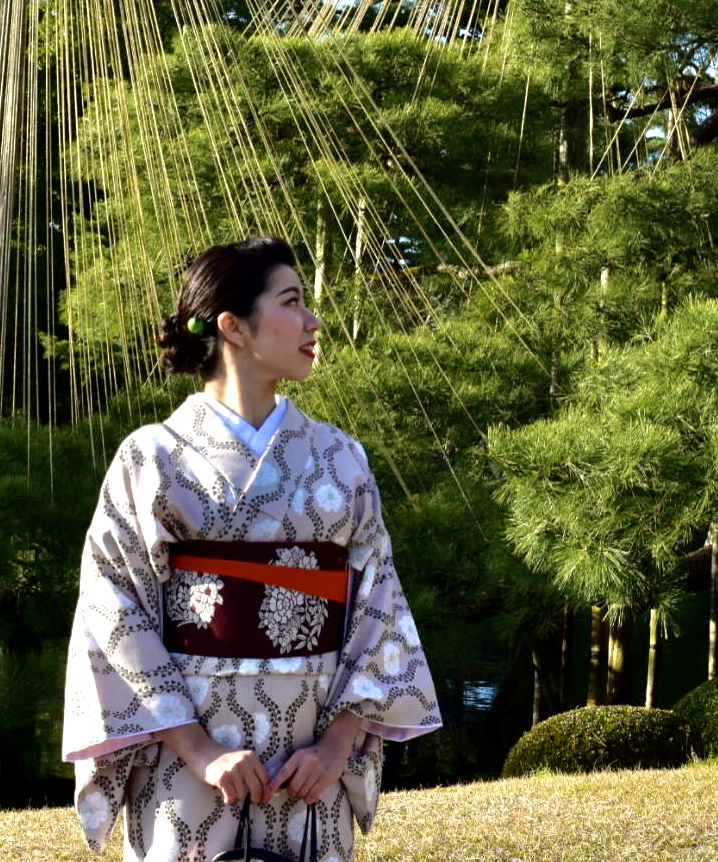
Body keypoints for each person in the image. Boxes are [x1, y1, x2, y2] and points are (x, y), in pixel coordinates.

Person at [63, 237, 439, 861]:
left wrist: (335, 749)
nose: (314, 321)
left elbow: (379, 607)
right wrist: (203, 753)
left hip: (308, 755)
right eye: (292, 302)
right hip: (184, 755)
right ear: (233, 327)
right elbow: (113, 614)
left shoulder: (340, 459)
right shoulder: (150, 458)